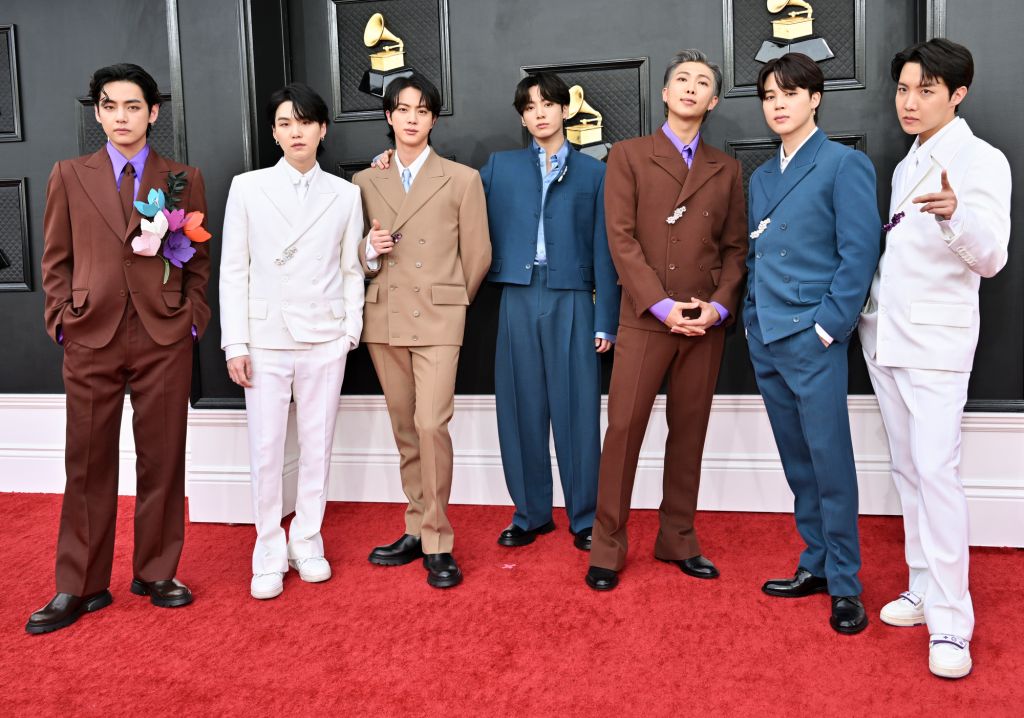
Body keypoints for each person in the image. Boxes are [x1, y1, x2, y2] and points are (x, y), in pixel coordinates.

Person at [374, 73, 618, 551]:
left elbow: (606, 250)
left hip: (573, 297)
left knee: (579, 413)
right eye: (530, 107)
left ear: (565, 110)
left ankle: (585, 517)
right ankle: (530, 514)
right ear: (522, 117)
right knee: (519, 408)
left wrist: (605, 317)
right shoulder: (498, 168)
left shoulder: (595, 172)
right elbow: (440, 190)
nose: (540, 113)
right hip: (517, 296)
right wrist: (389, 165)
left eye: (549, 104)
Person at [29, 63, 211, 633]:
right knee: (86, 462)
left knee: (163, 458)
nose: (121, 117)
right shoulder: (69, 174)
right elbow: (55, 260)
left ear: (153, 112)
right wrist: (62, 320)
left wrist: (191, 321)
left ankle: (156, 571)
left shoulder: (181, 177)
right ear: (99, 112)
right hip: (90, 335)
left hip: (163, 336)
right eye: (110, 107)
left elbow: (198, 264)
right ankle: (79, 585)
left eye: (133, 107)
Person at [859, 38, 1011, 678]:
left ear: (958, 93)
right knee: (908, 471)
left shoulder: (981, 160)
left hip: (939, 343)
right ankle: (923, 589)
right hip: (887, 337)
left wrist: (956, 218)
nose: (909, 102)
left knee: (937, 474)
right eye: (902, 89)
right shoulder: (905, 162)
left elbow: (993, 256)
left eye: (925, 89)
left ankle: (953, 621)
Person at [585, 49, 748, 591]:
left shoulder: (727, 168)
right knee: (624, 432)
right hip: (646, 318)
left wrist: (718, 307)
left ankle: (677, 538)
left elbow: (734, 249)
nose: (691, 88)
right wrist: (660, 305)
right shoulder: (629, 156)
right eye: (682, 79)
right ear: (664, 92)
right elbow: (621, 241)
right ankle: (607, 547)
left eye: (703, 82)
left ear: (714, 99)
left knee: (689, 434)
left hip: (703, 322)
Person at [744, 53, 880, 634]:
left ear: (815, 98)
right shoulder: (759, 176)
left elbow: (859, 254)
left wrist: (829, 326)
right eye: (770, 95)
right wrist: (751, 318)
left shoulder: (844, 163)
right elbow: (755, 253)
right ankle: (816, 564)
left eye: (790, 93)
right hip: (765, 333)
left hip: (812, 335)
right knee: (799, 463)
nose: (778, 103)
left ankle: (847, 585)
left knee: (830, 463)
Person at [219, 83, 365, 600]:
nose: (295, 131)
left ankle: (307, 538)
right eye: (284, 122)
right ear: (275, 132)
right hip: (264, 339)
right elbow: (234, 269)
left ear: (322, 129)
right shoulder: (247, 187)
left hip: (325, 338)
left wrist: (351, 329)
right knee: (265, 449)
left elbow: (351, 267)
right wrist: (235, 342)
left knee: (318, 446)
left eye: (304, 121)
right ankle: (267, 548)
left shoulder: (346, 195)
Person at [353, 73, 491, 589]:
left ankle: (437, 538)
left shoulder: (461, 178)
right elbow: (352, 257)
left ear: (433, 119)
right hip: (384, 316)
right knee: (405, 428)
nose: (412, 118)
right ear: (388, 117)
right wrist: (370, 253)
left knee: (432, 424)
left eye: (422, 110)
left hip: (437, 318)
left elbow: (477, 255)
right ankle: (415, 526)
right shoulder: (365, 181)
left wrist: (450, 302)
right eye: (402, 109)